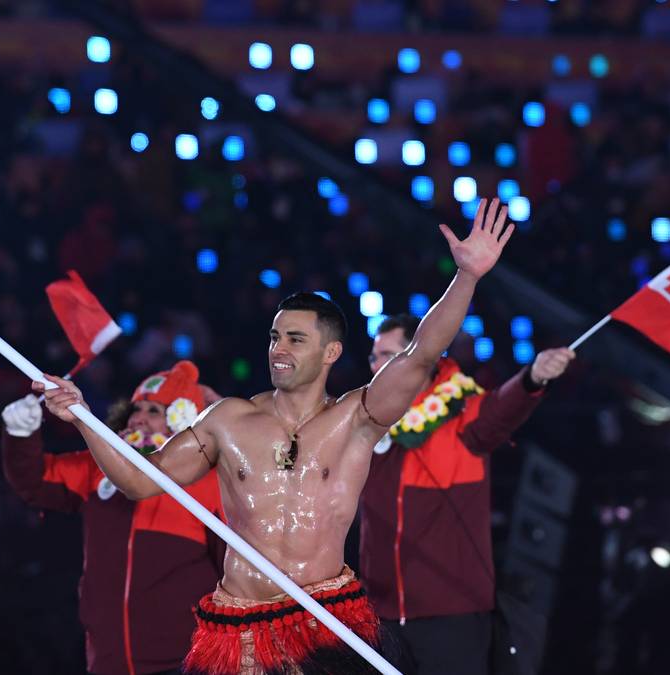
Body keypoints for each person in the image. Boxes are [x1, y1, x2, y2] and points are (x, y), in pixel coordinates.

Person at [38, 199, 517, 674]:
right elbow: (141, 481)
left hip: (322, 620)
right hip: (239, 624)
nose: (278, 349)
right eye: (274, 336)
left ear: (331, 352)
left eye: (295, 339)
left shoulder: (357, 417)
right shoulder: (228, 419)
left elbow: (419, 353)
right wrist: (82, 417)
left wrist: (467, 277)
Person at [358, 314, 574, 675]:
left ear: (420, 357)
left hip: (449, 614)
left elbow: (500, 411)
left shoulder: (460, 411)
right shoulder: (365, 420)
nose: (377, 366)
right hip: (380, 614)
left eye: (388, 356)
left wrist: (533, 378)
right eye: (373, 357)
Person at [1, 360, 225, 675]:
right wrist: (20, 434)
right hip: (109, 661)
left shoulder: (209, 481)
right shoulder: (98, 469)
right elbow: (35, 481)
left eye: (155, 411)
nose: (139, 419)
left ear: (183, 420)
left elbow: (233, 573)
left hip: (187, 662)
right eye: (137, 409)